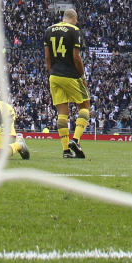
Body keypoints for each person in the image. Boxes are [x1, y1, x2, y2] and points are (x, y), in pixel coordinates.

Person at [44, 9, 88, 159]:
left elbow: (47, 56)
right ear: (74, 18)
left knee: (62, 113)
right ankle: (75, 140)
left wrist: (52, 72)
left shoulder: (49, 30)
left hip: (54, 76)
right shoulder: (75, 30)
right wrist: (82, 76)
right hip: (71, 75)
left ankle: (66, 151)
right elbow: (76, 57)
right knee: (84, 106)